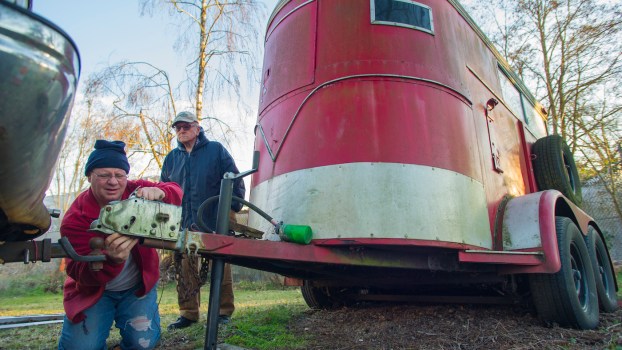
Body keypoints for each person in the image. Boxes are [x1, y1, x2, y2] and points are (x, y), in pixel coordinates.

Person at [58, 140, 183, 350]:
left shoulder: (135, 190)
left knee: (143, 344)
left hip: (136, 289)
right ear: (90, 177)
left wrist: (162, 193)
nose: (113, 182)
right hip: (93, 292)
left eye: (119, 175)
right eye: (104, 175)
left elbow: (176, 190)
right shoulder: (75, 218)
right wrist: (111, 261)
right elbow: (77, 270)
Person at [161, 111, 245, 330]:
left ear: (197, 128)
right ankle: (188, 314)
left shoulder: (215, 150)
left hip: (213, 217)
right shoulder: (171, 158)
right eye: (177, 127)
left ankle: (223, 311)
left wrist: (232, 209)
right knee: (185, 265)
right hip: (183, 220)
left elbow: (234, 179)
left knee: (220, 265)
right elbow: (164, 190)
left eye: (186, 126)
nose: (181, 130)